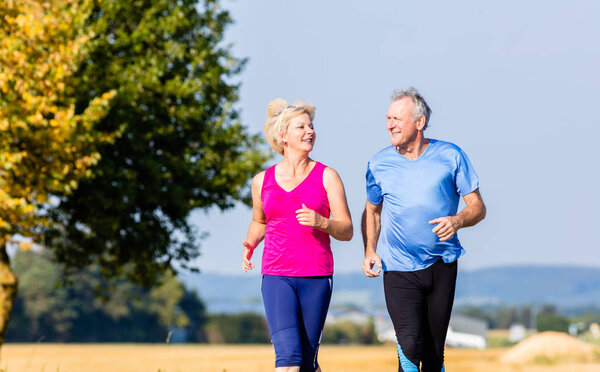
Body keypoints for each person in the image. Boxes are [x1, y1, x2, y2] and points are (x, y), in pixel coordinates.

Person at [362, 87, 486, 372]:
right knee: (410, 343)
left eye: (397, 118)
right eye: (388, 118)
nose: (389, 124)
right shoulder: (379, 163)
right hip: (398, 266)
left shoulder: (451, 156)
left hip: (442, 264)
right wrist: (370, 249)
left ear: (419, 123)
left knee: (432, 353)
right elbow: (372, 211)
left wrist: (457, 220)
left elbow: (477, 207)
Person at [242, 98, 353, 372]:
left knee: (306, 362)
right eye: (301, 127)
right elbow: (259, 221)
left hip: (316, 277)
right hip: (277, 275)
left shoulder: (328, 177)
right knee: (288, 359)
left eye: (311, 126)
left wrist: (322, 222)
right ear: (283, 136)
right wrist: (251, 244)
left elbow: (347, 230)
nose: (309, 132)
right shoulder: (261, 181)